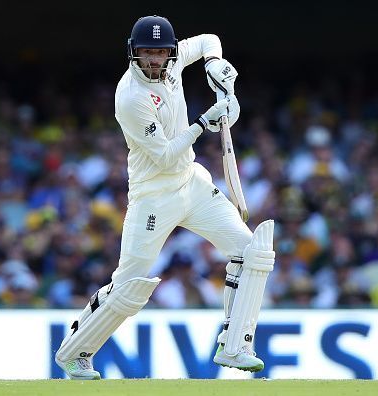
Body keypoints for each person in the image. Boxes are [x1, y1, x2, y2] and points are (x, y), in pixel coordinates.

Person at [55, 15, 275, 379]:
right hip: (153, 196)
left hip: (192, 182)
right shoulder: (130, 96)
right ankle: (75, 351)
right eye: (147, 53)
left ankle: (235, 345)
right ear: (134, 53)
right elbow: (166, 154)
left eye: (161, 52)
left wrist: (215, 65)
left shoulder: (173, 64)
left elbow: (208, 39)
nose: (155, 60)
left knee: (252, 252)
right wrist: (206, 122)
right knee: (130, 286)